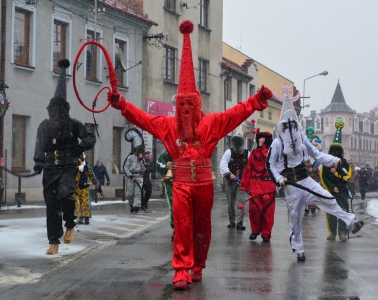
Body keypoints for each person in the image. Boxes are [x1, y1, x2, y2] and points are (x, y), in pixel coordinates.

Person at [109, 20, 272, 290]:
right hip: (182, 183)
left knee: (202, 229)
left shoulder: (210, 124)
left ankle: (197, 266)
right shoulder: (167, 125)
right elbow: (143, 119)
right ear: (177, 104)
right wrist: (122, 105)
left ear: (197, 104)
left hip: (204, 185)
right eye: (181, 103)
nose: (185, 109)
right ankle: (181, 269)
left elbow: (235, 115)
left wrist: (256, 101)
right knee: (183, 226)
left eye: (190, 104)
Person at [266, 84, 364, 262]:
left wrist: (334, 160)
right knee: (295, 219)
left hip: (305, 180)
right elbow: (270, 165)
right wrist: (279, 178)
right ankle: (299, 248)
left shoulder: (302, 138)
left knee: (328, 198)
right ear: (281, 128)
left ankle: (351, 222)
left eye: (292, 125)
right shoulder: (277, 144)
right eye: (286, 127)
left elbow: (317, 155)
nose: (290, 129)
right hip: (291, 186)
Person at [33, 59, 96, 255]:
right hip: (51, 167)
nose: (57, 113)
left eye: (60, 109)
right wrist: (38, 162)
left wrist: (82, 145)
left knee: (65, 194)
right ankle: (53, 240)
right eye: (54, 110)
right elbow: (39, 144)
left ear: (65, 110)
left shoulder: (74, 124)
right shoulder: (45, 125)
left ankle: (69, 222)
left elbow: (90, 136)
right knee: (51, 205)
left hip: (69, 165)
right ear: (50, 110)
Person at [240, 129, 275, 243]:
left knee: (268, 211)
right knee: (254, 209)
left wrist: (263, 147)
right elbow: (248, 169)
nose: (260, 141)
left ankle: (266, 234)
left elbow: (271, 162)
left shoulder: (272, 153)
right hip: (255, 184)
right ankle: (255, 231)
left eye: (263, 139)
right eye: (259, 139)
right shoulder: (254, 153)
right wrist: (245, 185)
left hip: (269, 185)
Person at [319, 121, 352, 242]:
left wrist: (337, 172)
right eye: (334, 150)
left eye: (338, 150)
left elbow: (346, 176)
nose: (336, 152)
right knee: (331, 213)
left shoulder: (344, 164)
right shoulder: (326, 164)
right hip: (330, 191)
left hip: (342, 190)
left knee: (343, 211)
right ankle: (332, 233)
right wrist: (332, 187)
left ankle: (342, 233)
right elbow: (323, 177)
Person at [219, 134, 248, 230]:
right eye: (236, 142)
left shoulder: (247, 153)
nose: (238, 144)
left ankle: (239, 222)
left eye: (239, 142)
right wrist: (229, 174)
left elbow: (250, 167)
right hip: (231, 182)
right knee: (230, 201)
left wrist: (246, 178)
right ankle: (232, 221)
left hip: (242, 182)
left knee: (241, 201)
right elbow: (223, 164)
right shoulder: (229, 152)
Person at [74, 153, 99, 225]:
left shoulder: (81, 165)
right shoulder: (82, 165)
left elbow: (91, 174)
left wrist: (96, 183)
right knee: (82, 202)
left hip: (79, 187)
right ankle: (83, 217)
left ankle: (83, 217)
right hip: (79, 186)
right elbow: (91, 175)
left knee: (81, 202)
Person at [157, 150, 175, 240]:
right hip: (172, 183)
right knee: (174, 206)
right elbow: (158, 163)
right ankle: (176, 229)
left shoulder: (192, 147)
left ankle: (190, 229)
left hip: (188, 182)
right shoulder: (169, 150)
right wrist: (165, 166)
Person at [304, 126, 322, 216]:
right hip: (306, 179)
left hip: (313, 178)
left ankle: (313, 209)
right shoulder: (304, 160)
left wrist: (316, 172)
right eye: (309, 131)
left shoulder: (316, 161)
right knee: (305, 194)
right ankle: (306, 210)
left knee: (313, 194)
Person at [124, 145, 146, 214]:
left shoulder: (141, 159)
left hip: (139, 176)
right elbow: (125, 167)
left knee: (138, 193)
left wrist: (143, 170)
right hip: (131, 177)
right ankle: (131, 205)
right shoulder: (129, 157)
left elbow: (144, 167)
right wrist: (131, 176)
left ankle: (136, 207)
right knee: (130, 193)